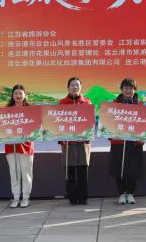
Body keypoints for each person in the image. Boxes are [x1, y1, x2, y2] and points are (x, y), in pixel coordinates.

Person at [109, 78, 144, 205]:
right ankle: (121, 193)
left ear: (134, 89)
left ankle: (130, 193)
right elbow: (108, 122)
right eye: (125, 88)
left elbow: (145, 123)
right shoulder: (114, 104)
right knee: (120, 168)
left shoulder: (140, 105)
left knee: (133, 169)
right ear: (121, 89)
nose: (128, 90)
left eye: (131, 88)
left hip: (134, 143)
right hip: (119, 142)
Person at [60, 77, 92, 205]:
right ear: (68, 88)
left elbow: (90, 122)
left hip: (83, 143)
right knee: (70, 170)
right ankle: (72, 197)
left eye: (77, 85)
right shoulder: (62, 103)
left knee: (83, 170)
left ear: (81, 87)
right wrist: (61, 139)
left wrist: (88, 137)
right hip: (68, 143)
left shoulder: (87, 103)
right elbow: (57, 122)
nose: (75, 87)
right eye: (72, 85)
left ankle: (83, 197)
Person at [5, 84, 34, 208]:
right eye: (15, 93)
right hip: (11, 146)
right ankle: (16, 197)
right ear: (12, 95)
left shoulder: (31, 110)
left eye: (20, 93)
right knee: (14, 172)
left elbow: (36, 128)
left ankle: (26, 198)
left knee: (26, 173)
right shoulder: (6, 111)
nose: (18, 95)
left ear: (25, 95)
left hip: (26, 146)